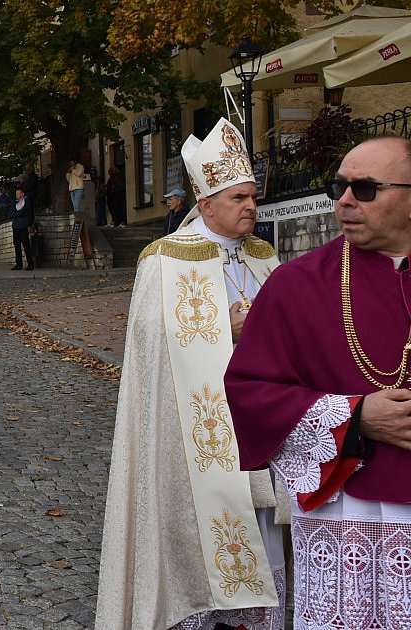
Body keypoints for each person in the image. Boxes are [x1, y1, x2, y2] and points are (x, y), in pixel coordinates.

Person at [95, 118, 286, 630]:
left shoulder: (265, 256)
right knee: (195, 532)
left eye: (252, 196)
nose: (251, 206)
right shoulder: (163, 260)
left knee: (259, 524)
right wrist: (223, 331)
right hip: (193, 431)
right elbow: (151, 346)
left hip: (259, 420)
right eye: (238, 198)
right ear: (206, 205)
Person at [225, 135, 411, 627]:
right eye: (339, 186)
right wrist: (355, 417)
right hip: (348, 512)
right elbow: (249, 390)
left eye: (366, 189)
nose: (345, 201)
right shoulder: (296, 285)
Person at [9, 187, 35, 270]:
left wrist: (18, 213)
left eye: (18, 193)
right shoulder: (14, 203)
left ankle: (30, 264)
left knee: (26, 245)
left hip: (23, 226)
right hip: (16, 226)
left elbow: (26, 211)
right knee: (17, 246)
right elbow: (11, 213)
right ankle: (19, 264)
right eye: (16, 194)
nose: (17, 195)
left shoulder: (27, 201)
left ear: (22, 194)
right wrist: (19, 213)